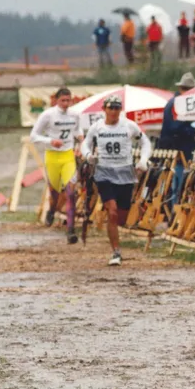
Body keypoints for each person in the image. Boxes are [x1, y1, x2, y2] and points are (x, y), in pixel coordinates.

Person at [81, 95, 152, 266]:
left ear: (121, 110)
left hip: (126, 172)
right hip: (104, 172)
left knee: (121, 216)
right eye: (110, 108)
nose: (113, 112)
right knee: (111, 211)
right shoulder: (97, 127)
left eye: (117, 108)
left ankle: (115, 233)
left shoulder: (129, 125)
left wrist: (143, 160)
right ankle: (116, 252)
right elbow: (85, 144)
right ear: (104, 109)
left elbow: (146, 143)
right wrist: (89, 155)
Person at [30, 87, 84, 243]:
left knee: (70, 192)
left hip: (68, 155)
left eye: (69, 100)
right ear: (56, 100)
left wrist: (80, 137)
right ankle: (51, 211)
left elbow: (77, 129)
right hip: (52, 156)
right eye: (63, 101)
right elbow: (34, 136)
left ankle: (71, 231)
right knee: (54, 193)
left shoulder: (74, 114)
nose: (66, 104)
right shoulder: (47, 115)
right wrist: (50, 141)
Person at [160, 72, 195, 210]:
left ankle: (174, 211)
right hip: (178, 150)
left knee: (178, 183)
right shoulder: (177, 104)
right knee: (178, 183)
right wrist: (194, 131)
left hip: (178, 149)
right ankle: (174, 212)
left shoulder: (175, 103)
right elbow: (175, 128)